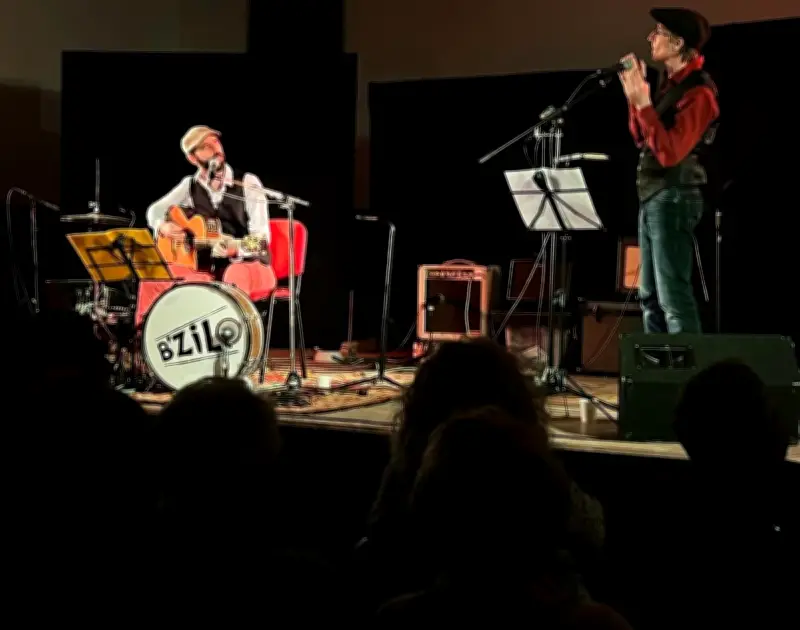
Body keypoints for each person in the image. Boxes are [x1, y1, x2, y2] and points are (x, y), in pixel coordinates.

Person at [619, 8, 719, 333]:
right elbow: (642, 140)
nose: (651, 37)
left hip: (674, 198)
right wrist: (635, 101)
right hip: (652, 197)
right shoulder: (668, 86)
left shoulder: (699, 92)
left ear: (677, 43)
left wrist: (644, 106)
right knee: (648, 297)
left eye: (658, 31)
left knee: (672, 298)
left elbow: (670, 153)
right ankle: (657, 376)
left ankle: (686, 378)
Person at [137, 126, 277, 326]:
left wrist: (234, 248)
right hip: (210, 270)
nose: (216, 149)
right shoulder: (190, 186)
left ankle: (230, 344)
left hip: (253, 266)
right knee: (156, 277)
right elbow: (154, 211)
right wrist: (163, 227)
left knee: (234, 274)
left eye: (216, 142)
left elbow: (262, 240)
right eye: (206, 146)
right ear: (193, 158)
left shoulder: (247, 182)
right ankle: (143, 339)